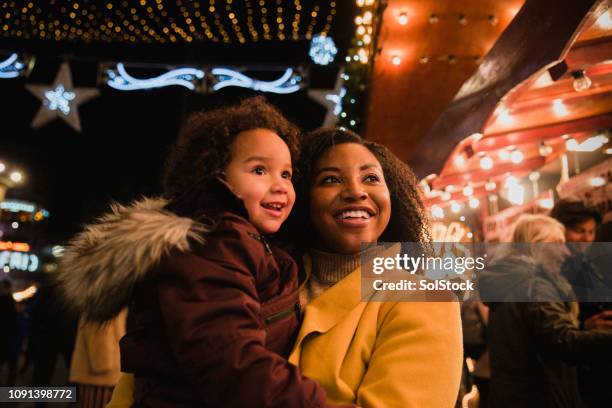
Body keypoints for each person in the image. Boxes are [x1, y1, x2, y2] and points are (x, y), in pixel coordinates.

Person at [101, 127, 463, 407]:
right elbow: (143, 380)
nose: (356, 191)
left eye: (371, 178)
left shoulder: (424, 296)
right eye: (331, 179)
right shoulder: (249, 270)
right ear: (301, 199)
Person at [58, 97, 335, 407]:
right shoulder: (216, 242)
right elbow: (228, 355)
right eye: (259, 170)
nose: (281, 185)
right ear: (216, 177)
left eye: (286, 174)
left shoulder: (252, 244)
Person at [480, 214, 612, 408]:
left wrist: (582, 326)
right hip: (541, 396)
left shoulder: (510, 279)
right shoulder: (534, 284)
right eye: (557, 243)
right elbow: (563, 342)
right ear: (535, 247)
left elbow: (533, 335)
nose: (566, 252)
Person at [551, 199, 612, 407]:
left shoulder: (591, 265)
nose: (586, 239)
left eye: (591, 232)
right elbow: (551, 331)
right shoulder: (551, 270)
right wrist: (584, 327)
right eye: (578, 230)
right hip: (575, 374)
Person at [69, 308, 127, 408]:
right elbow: (99, 331)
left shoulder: (101, 299)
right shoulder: (104, 300)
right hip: (101, 377)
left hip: (101, 374)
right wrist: (102, 364)